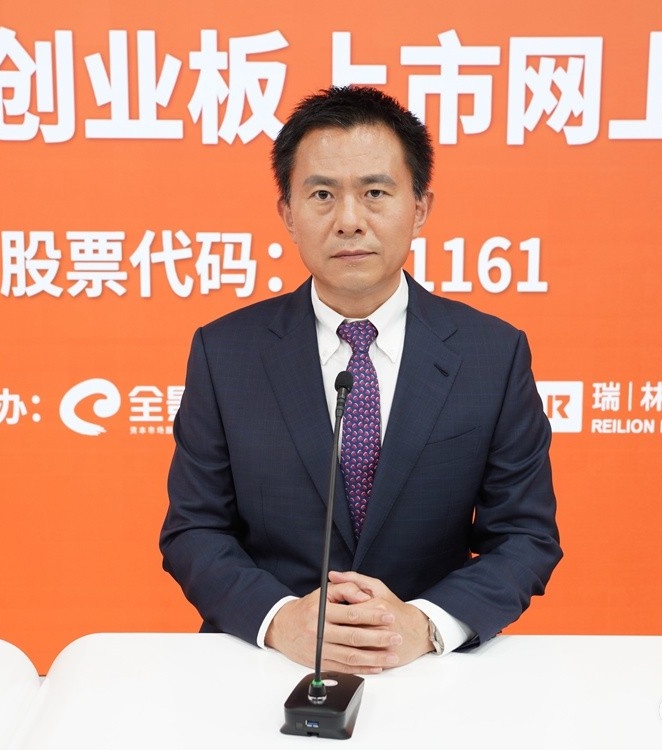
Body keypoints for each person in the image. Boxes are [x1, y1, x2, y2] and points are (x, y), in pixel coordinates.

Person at [160, 85, 561, 674]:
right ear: (287, 213)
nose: (349, 221)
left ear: (419, 208)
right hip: (269, 664)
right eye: (322, 195)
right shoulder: (226, 353)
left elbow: (525, 536)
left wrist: (426, 623)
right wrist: (280, 619)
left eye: (375, 193)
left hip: (430, 667)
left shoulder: (491, 355)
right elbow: (194, 529)